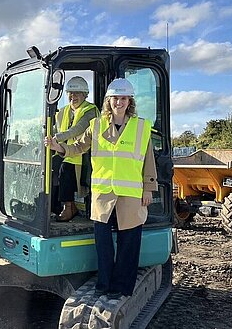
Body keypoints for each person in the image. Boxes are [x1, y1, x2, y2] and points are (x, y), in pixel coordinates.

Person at [45, 78, 158, 299]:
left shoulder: (141, 127)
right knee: (103, 244)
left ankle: (122, 287)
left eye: (123, 98)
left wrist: (148, 189)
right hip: (103, 194)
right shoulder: (96, 125)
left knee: (129, 244)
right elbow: (79, 147)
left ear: (129, 101)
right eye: (115, 98)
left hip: (131, 194)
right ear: (109, 101)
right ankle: (104, 284)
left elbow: (149, 160)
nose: (119, 102)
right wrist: (60, 147)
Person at [51, 76, 99, 222]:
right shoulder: (63, 111)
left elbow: (77, 129)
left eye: (77, 93)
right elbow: (55, 129)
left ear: (85, 95)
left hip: (84, 152)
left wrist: (57, 138)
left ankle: (69, 207)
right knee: (50, 167)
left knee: (65, 170)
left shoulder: (90, 110)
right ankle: (54, 206)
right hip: (65, 150)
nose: (73, 96)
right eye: (71, 93)